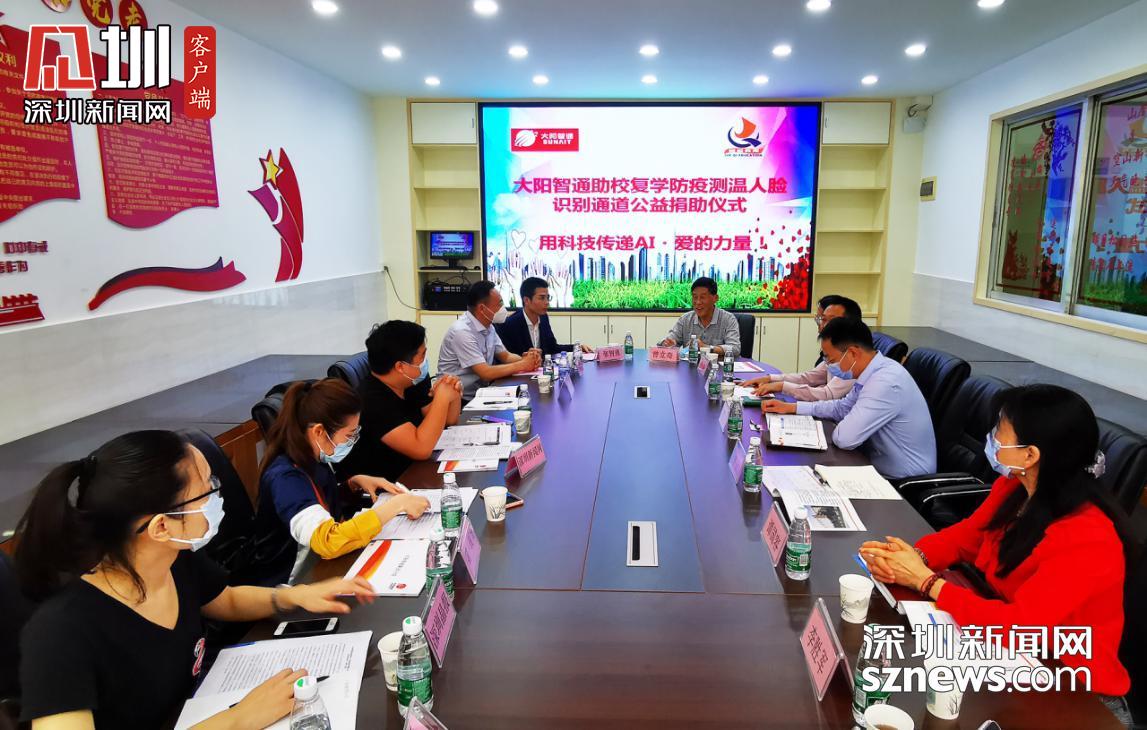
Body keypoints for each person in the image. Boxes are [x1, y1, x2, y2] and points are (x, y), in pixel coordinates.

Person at [14, 430, 377, 730]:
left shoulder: (174, 560)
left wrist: (295, 596)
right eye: (207, 489)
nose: (218, 495)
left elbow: (225, 599)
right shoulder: (60, 634)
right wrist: (238, 720)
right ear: (161, 527)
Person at [860, 385, 1132, 725]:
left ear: (1030, 455)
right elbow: (967, 537)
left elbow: (1022, 626)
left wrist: (927, 582)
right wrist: (909, 558)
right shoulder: (1015, 488)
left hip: (1076, 694)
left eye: (1000, 430)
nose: (992, 437)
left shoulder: (1088, 537)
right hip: (1017, 663)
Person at [255, 378, 432, 585]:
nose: (352, 441)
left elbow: (318, 502)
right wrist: (397, 505)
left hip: (323, 567)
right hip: (293, 583)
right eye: (349, 435)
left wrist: (352, 485)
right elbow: (328, 541)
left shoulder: (312, 455)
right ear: (319, 432)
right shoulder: (285, 478)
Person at [762, 317, 936, 479]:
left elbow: (845, 439)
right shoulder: (873, 372)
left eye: (831, 360)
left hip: (902, 482)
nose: (828, 366)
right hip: (874, 464)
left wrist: (829, 429)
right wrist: (793, 408)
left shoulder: (885, 382)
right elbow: (842, 407)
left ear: (852, 353)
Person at [340, 320, 463, 481]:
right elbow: (421, 449)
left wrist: (453, 391)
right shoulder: (371, 401)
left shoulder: (411, 381)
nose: (425, 361)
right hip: (389, 483)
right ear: (400, 367)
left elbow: (448, 421)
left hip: (416, 470)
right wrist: (442, 398)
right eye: (422, 356)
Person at [743, 294, 862, 400]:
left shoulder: (853, 355)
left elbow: (827, 394)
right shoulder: (836, 350)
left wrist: (781, 386)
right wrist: (771, 379)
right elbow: (810, 377)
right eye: (822, 319)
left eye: (829, 320)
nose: (822, 326)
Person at [438, 280, 541, 399]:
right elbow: (485, 373)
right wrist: (522, 364)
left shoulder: (489, 326)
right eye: (500, 304)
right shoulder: (462, 331)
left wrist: (529, 359)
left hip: (481, 392)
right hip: (457, 398)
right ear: (482, 308)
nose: (503, 308)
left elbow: (506, 356)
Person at [496, 276, 594, 356]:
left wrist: (576, 347)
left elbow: (552, 347)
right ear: (526, 300)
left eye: (548, 298)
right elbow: (507, 358)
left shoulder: (543, 318)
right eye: (542, 298)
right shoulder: (510, 324)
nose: (547, 302)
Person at [658, 277, 741, 358]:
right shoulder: (685, 319)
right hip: (690, 366)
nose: (698, 302)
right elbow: (669, 340)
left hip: (719, 366)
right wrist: (668, 343)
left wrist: (706, 348)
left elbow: (735, 348)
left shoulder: (728, 319)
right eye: (695, 297)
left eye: (702, 297)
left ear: (715, 298)